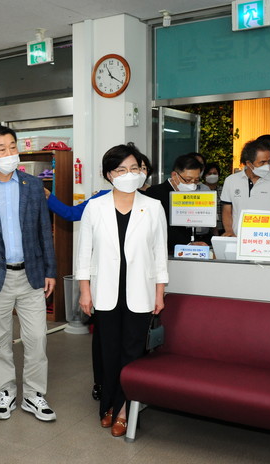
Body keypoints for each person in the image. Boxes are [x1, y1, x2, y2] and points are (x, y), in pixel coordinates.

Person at [0, 125, 57, 422]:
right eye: (1, 148)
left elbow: (44, 231)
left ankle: (34, 395)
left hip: (31, 275)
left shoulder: (32, 185)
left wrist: (51, 270)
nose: (8, 153)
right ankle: (5, 391)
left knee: (37, 338)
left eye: (12, 146)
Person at [75, 144, 168, 438]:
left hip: (141, 292)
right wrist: (84, 291)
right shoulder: (95, 207)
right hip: (105, 292)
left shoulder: (153, 206)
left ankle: (125, 409)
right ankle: (108, 404)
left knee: (132, 353)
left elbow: (159, 254)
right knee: (109, 352)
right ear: (109, 174)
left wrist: (160, 293)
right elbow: (84, 253)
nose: (129, 174)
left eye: (134, 168)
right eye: (121, 169)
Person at [145, 153, 212, 253]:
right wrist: (187, 244)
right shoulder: (155, 193)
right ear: (174, 175)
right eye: (188, 180)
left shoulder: (192, 194)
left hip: (187, 251)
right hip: (164, 251)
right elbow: (160, 228)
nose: (192, 184)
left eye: (196, 180)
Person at [221, 139, 270, 237]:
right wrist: (229, 231)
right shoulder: (231, 181)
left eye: (268, 161)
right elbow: (227, 211)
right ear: (249, 164)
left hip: (267, 239)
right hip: (238, 239)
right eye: (262, 162)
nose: (267, 166)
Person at [203, 162, 223, 233]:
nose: (212, 175)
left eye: (215, 173)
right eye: (209, 173)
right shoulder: (200, 190)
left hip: (222, 229)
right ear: (204, 176)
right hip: (204, 230)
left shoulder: (223, 190)